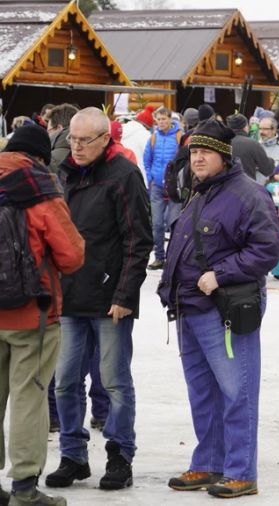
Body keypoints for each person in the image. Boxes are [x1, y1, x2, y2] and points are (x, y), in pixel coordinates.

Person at [157, 119, 279, 498]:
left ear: (224, 157)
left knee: (236, 391)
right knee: (203, 393)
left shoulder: (248, 195)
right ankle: (208, 463)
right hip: (189, 308)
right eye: (194, 151)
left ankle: (241, 471)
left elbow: (267, 249)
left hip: (223, 309)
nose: (197, 158)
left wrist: (220, 274)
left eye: (205, 152)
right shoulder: (200, 192)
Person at [46, 107, 152, 491]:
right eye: (71, 139)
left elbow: (138, 240)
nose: (75, 147)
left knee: (114, 382)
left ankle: (120, 455)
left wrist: (125, 294)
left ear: (106, 139)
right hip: (70, 297)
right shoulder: (64, 175)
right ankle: (73, 456)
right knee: (64, 383)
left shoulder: (124, 176)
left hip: (110, 301)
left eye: (84, 140)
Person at [0, 124, 85, 506]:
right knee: (29, 399)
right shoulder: (40, 189)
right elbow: (71, 255)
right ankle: (24, 489)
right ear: (38, 156)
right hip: (33, 315)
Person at [143, 107, 183, 270]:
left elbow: (183, 159)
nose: (161, 122)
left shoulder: (179, 136)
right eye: (158, 120)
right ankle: (159, 257)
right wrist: (151, 178)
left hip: (174, 186)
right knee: (157, 224)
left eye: (164, 119)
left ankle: (173, 258)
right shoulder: (153, 138)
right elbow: (147, 160)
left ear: (170, 119)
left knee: (173, 223)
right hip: (157, 185)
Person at [226, 113, 274, 182]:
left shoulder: (221, 143)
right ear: (246, 127)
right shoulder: (253, 144)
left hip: (224, 188)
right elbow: (267, 170)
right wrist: (272, 161)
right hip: (246, 188)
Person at [46, 104, 79, 177]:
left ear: (59, 128)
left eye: (49, 131)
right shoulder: (91, 154)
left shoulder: (48, 159)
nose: (47, 135)